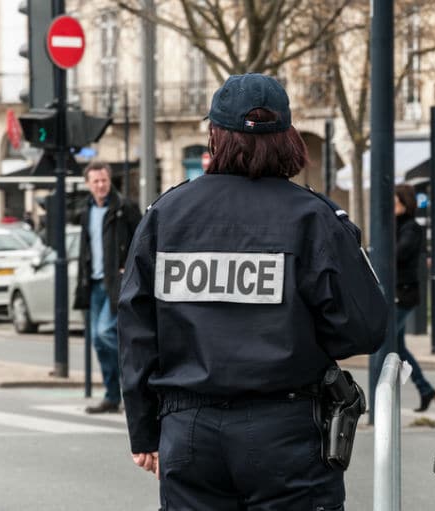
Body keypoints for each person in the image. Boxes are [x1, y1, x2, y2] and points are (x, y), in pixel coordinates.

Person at [118, 73, 387, 510]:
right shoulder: (313, 218)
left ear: (214, 135)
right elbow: (363, 328)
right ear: (288, 138)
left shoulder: (167, 215)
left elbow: (136, 330)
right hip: (287, 431)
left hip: (189, 432)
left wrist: (145, 431)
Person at [74, 161, 141, 414]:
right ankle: (112, 397)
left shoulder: (124, 207)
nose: (101, 185)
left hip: (116, 284)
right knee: (99, 343)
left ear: (109, 180)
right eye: (96, 181)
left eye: (104, 180)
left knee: (105, 333)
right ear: (88, 184)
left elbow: (143, 239)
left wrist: (129, 267)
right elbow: (86, 248)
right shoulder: (86, 210)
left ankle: (134, 384)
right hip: (93, 283)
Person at [394, 183, 435, 412]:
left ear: (405, 202)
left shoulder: (411, 228)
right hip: (396, 293)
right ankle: (425, 389)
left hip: (403, 294)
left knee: (387, 343)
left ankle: (386, 396)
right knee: (398, 347)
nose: (391, 205)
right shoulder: (395, 225)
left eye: (395, 200)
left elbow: (399, 254)